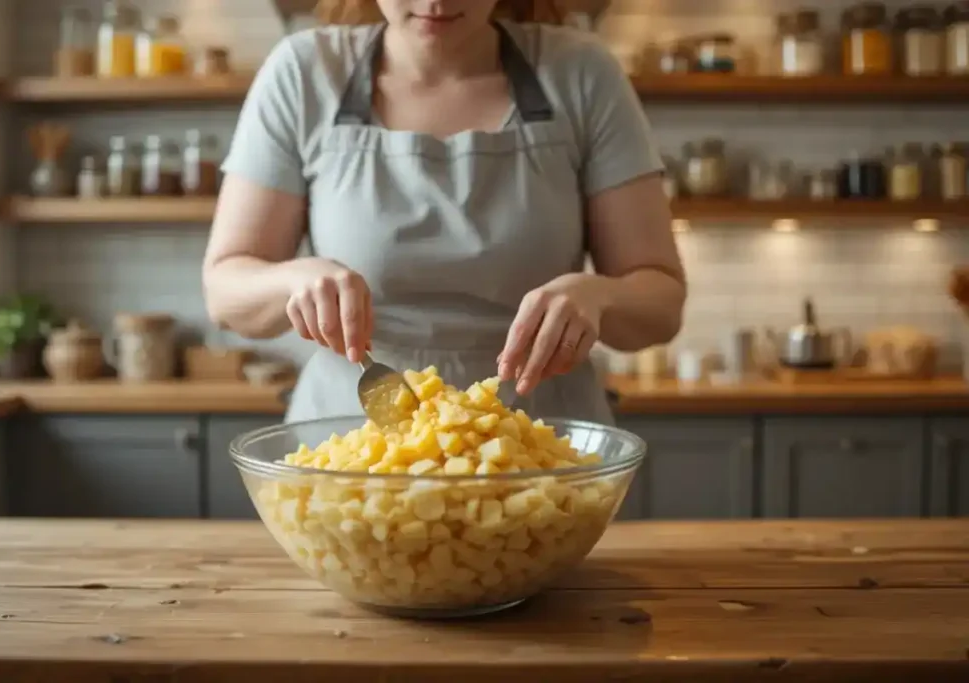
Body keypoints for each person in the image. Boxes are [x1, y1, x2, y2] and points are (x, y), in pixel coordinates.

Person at [203, 0, 686, 425]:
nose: (434, 1)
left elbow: (661, 305)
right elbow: (225, 290)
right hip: (350, 445)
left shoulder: (582, 72)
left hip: (541, 448)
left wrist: (597, 295)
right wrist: (294, 279)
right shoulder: (304, 72)